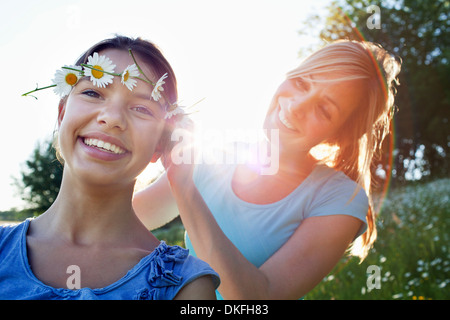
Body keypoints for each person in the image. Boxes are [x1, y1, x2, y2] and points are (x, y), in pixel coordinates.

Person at [133, 40, 401, 299]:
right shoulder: (214, 157)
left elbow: (258, 297)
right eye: (301, 83)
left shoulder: (339, 197)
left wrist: (184, 189)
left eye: (323, 110)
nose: (296, 106)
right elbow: (128, 215)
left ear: (338, 135)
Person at [0, 35, 219, 300]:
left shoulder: (184, 285)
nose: (112, 118)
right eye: (93, 92)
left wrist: (183, 182)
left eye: (141, 108)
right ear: (61, 113)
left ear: (161, 144)